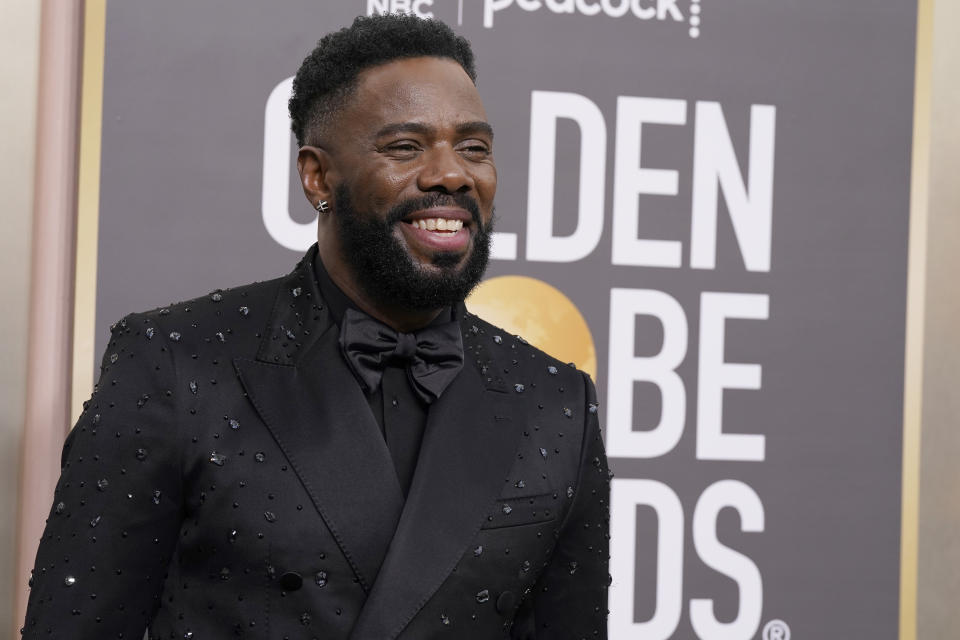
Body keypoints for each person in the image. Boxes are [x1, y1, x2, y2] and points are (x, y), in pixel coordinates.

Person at [22, 14, 609, 640]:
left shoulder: (556, 405)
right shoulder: (175, 364)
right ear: (318, 176)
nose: (453, 174)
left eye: (474, 147)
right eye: (406, 147)